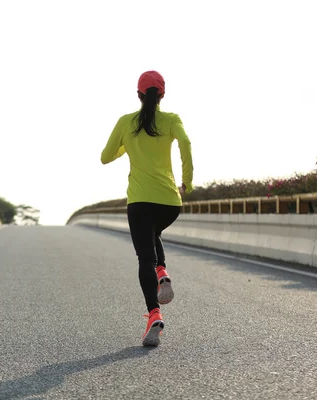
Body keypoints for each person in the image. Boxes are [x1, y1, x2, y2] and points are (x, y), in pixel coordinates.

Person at [100, 70, 194, 346]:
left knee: (145, 257)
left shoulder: (125, 122)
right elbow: (186, 143)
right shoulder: (171, 120)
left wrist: (127, 147)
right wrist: (186, 182)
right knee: (154, 235)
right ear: (162, 95)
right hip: (169, 202)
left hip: (140, 201)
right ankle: (162, 271)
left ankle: (154, 314)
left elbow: (105, 157)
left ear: (138, 95)